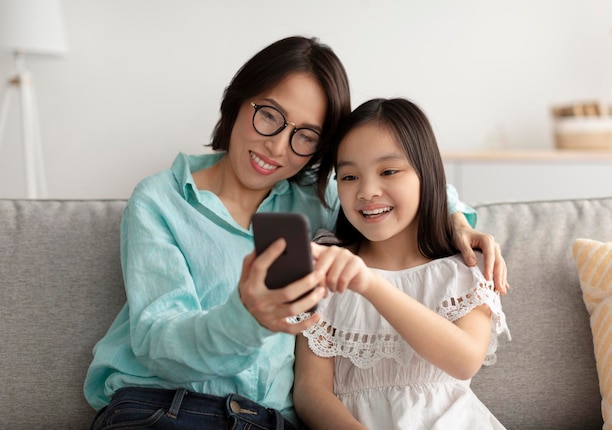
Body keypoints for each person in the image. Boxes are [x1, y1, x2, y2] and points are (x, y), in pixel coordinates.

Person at [84, 36, 507, 430]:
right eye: (269, 115)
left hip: (269, 421)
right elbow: (158, 340)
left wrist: (456, 220)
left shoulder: (318, 196)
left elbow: (399, 184)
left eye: (305, 136)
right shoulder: (161, 200)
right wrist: (245, 319)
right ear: (237, 101)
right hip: (164, 406)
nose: (278, 147)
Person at [294, 98, 512, 429]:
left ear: (426, 174)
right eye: (349, 176)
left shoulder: (464, 266)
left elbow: (465, 360)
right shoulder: (323, 264)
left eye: (389, 171)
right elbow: (311, 392)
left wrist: (368, 284)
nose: (367, 191)